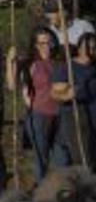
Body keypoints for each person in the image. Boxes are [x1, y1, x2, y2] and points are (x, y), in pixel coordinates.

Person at [51, 32, 96, 186]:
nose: (89, 52)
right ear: (79, 48)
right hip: (80, 122)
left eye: (93, 48)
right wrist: (68, 95)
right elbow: (54, 93)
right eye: (86, 48)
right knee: (86, 162)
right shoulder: (68, 67)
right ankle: (87, 195)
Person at [10, 27, 66, 181]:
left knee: (63, 158)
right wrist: (10, 61)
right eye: (41, 43)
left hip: (61, 114)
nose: (46, 46)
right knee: (41, 158)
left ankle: (62, 191)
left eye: (49, 43)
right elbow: (12, 85)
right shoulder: (30, 64)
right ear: (35, 45)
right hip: (39, 115)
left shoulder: (60, 61)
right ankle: (42, 193)